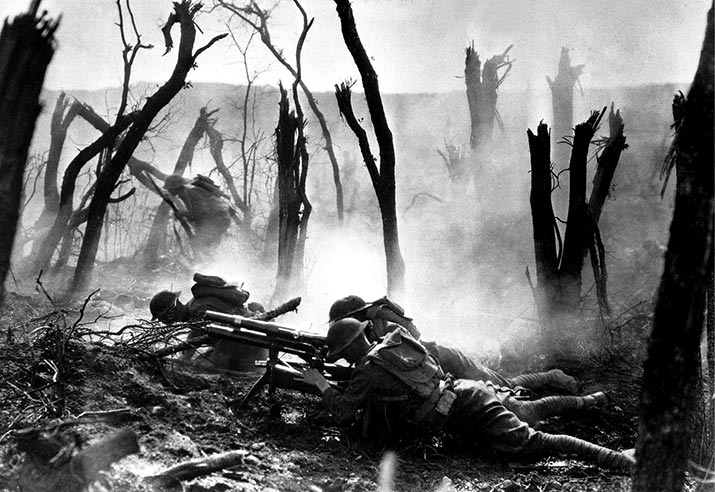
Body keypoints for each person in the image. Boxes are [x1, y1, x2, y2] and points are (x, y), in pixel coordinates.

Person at [299, 318, 635, 473]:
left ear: (349, 348)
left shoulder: (368, 372)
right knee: (529, 413)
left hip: (467, 407)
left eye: (342, 352)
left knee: (536, 441)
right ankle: (594, 405)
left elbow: (343, 412)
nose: (343, 358)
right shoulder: (393, 344)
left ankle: (623, 461)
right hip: (464, 395)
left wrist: (321, 383)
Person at [328, 295, 579, 394]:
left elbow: (414, 335)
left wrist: (385, 316)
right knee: (495, 389)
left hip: (441, 357)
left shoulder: (381, 322)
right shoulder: (363, 336)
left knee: (501, 384)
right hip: (430, 372)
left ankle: (552, 376)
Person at [150, 273, 266, 369]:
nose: (162, 321)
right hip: (248, 340)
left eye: (162, 317)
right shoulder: (194, 309)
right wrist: (184, 358)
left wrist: (215, 362)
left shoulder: (198, 310)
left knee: (204, 366)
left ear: (171, 311)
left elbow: (228, 334)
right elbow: (194, 336)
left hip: (253, 343)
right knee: (200, 363)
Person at [164, 174, 233, 254]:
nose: (169, 191)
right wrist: (183, 215)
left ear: (176, 188)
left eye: (170, 189)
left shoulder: (191, 193)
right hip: (218, 219)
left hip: (216, 220)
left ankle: (207, 263)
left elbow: (201, 212)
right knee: (204, 249)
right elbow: (196, 214)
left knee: (200, 247)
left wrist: (183, 214)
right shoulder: (186, 193)